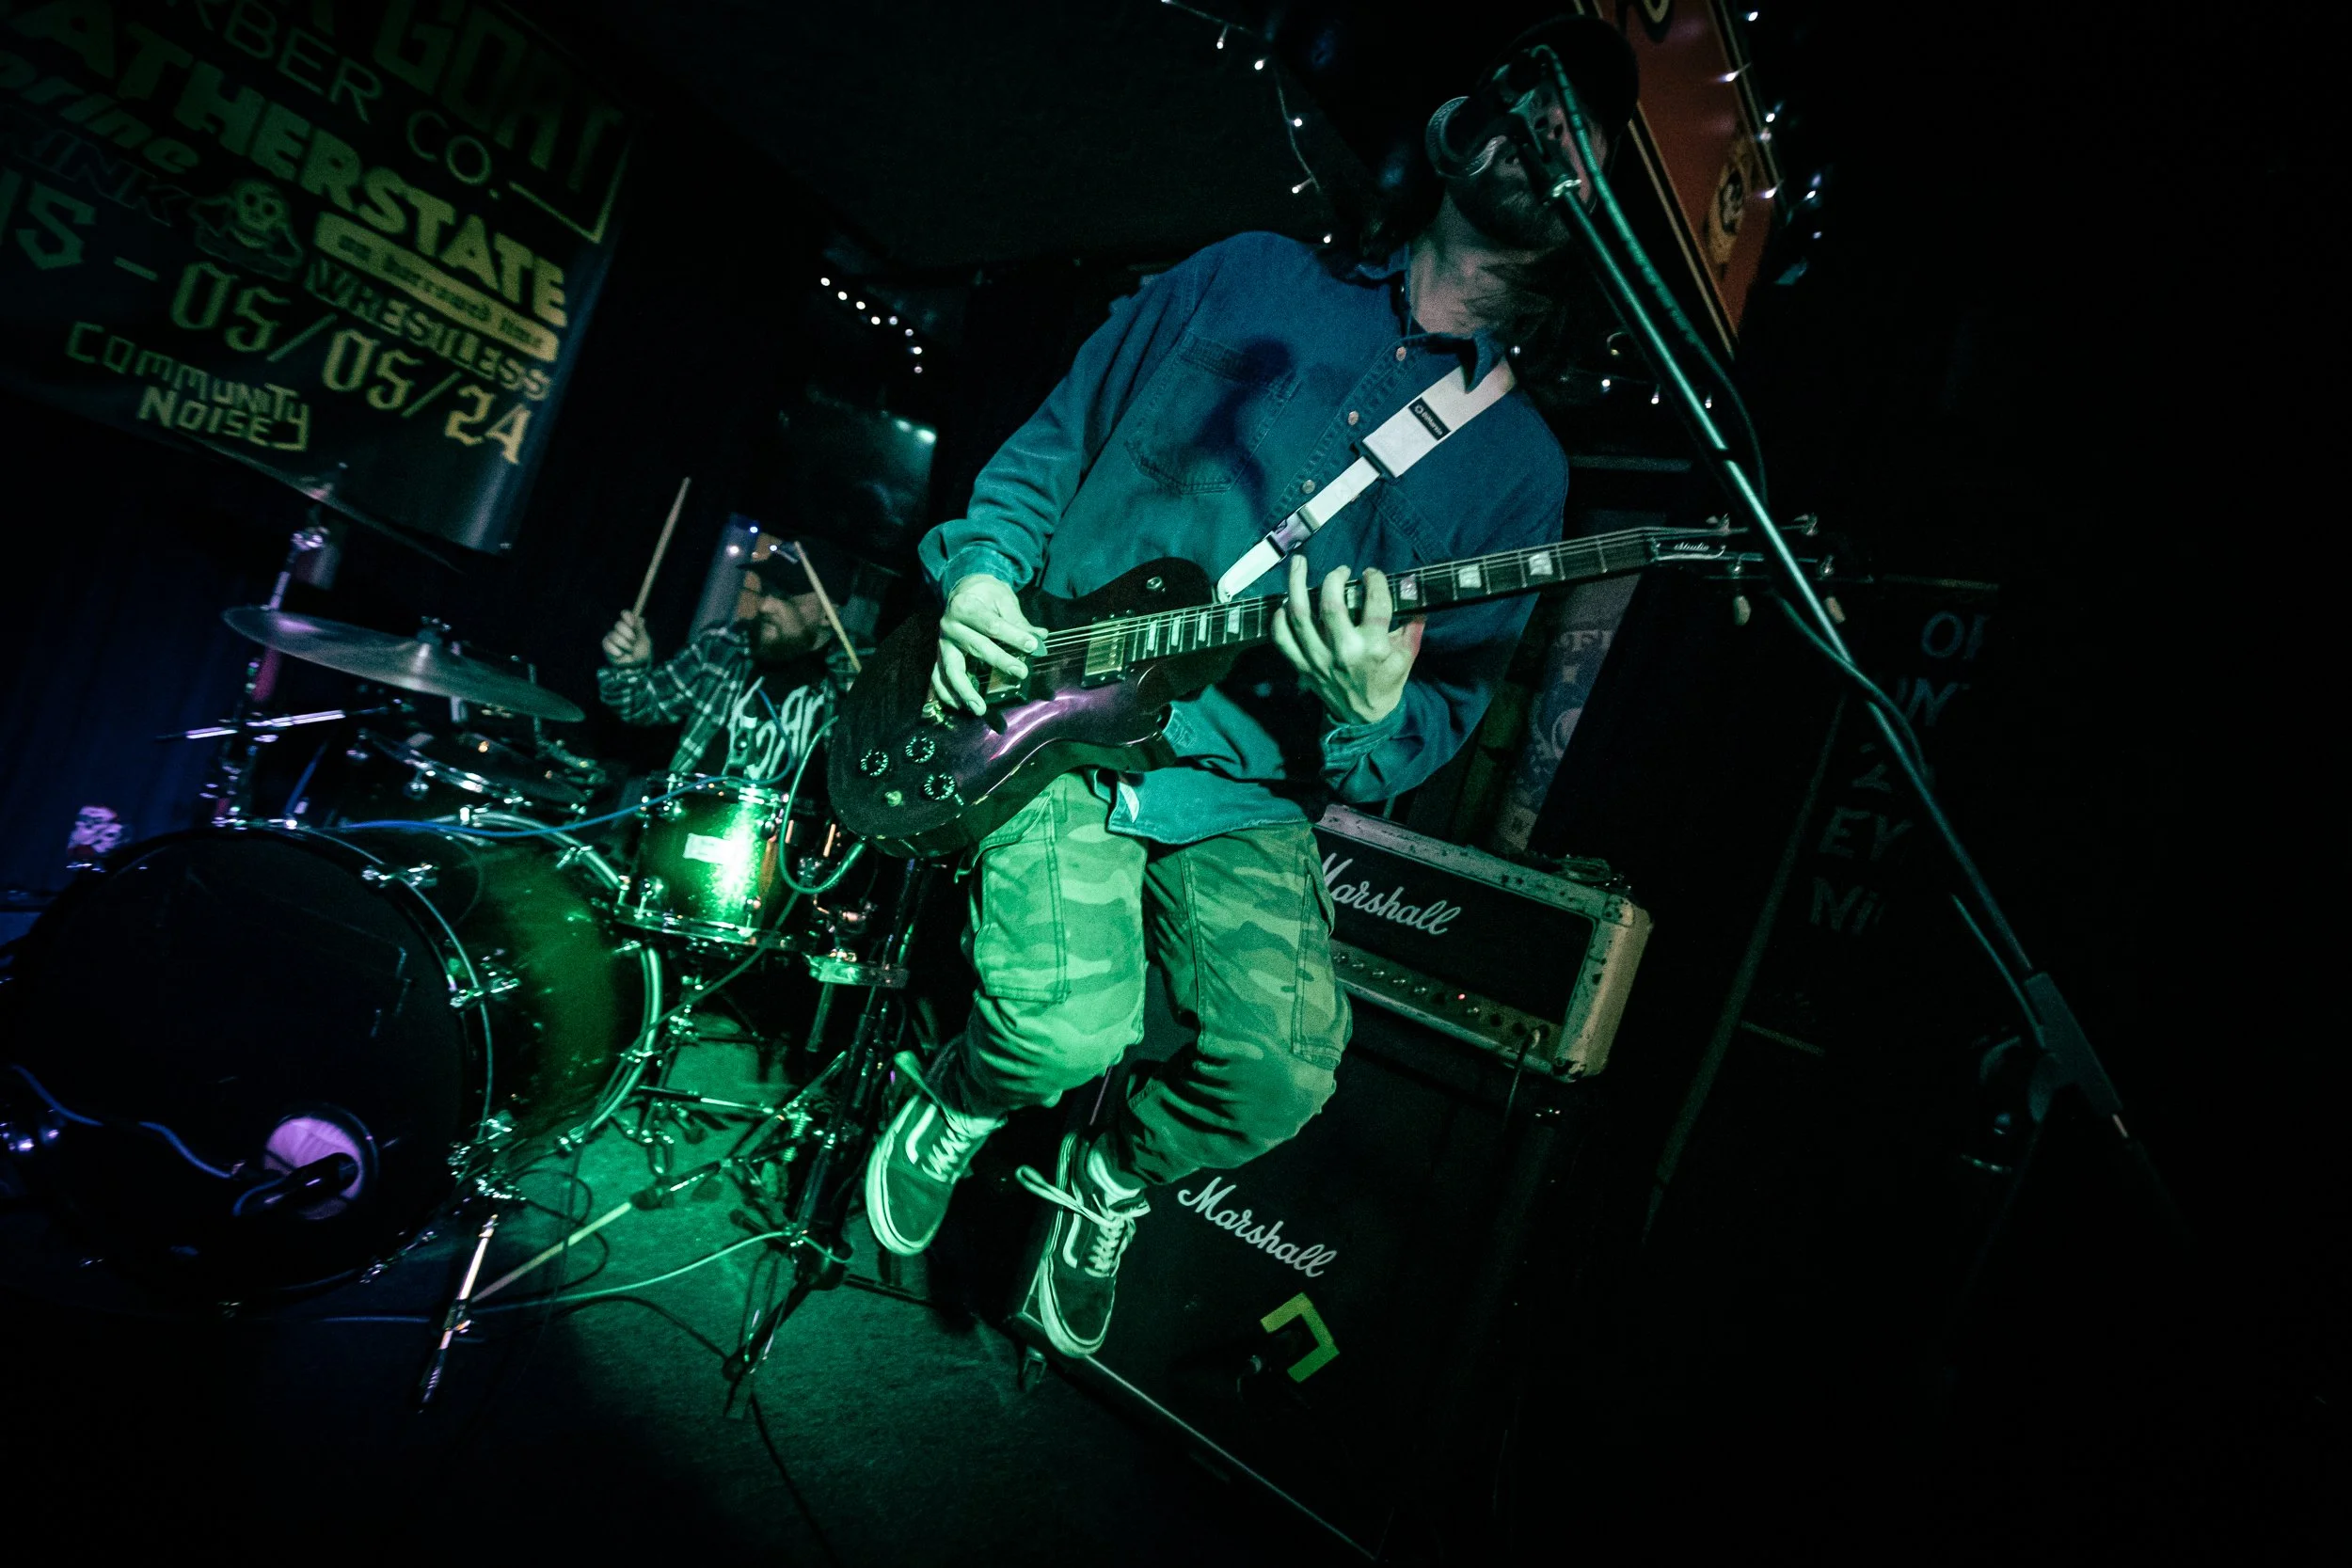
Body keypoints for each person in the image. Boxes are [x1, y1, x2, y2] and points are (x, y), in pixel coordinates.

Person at [863, 17, 1639, 1358]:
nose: (1535, 120)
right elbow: (1061, 437)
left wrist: (1370, 709)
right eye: (1519, 88)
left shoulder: (1521, 473)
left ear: (1600, 204)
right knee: (1058, 1029)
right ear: (1458, 124)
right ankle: (965, 1096)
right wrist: (985, 574)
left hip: (1239, 780)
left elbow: (1433, 718)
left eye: (1579, 125)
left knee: (1279, 1070)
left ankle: (1108, 1173)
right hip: (1055, 708)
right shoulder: (1250, 276)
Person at [597, 546, 836, 780]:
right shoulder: (722, 645)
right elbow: (643, 706)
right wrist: (628, 669)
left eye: (785, 595)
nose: (764, 605)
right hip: (691, 812)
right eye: (765, 590)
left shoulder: (850, 683)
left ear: (828, 614)